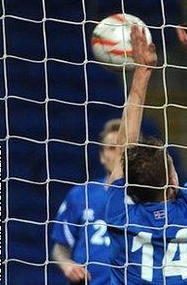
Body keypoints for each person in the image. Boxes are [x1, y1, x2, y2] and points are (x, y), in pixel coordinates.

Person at [105, 21, 187, 284]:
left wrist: (142, 70)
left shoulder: (119, 214)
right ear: (173, 180)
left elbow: (124, 147)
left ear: (130, 187)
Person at [51, 119, 120, 284]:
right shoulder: (81, 195)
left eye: (124, 147)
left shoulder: (148, 197)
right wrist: (67, 265)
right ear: (102, 156)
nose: (119, 153)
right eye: (112, 148)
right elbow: (59, 248)